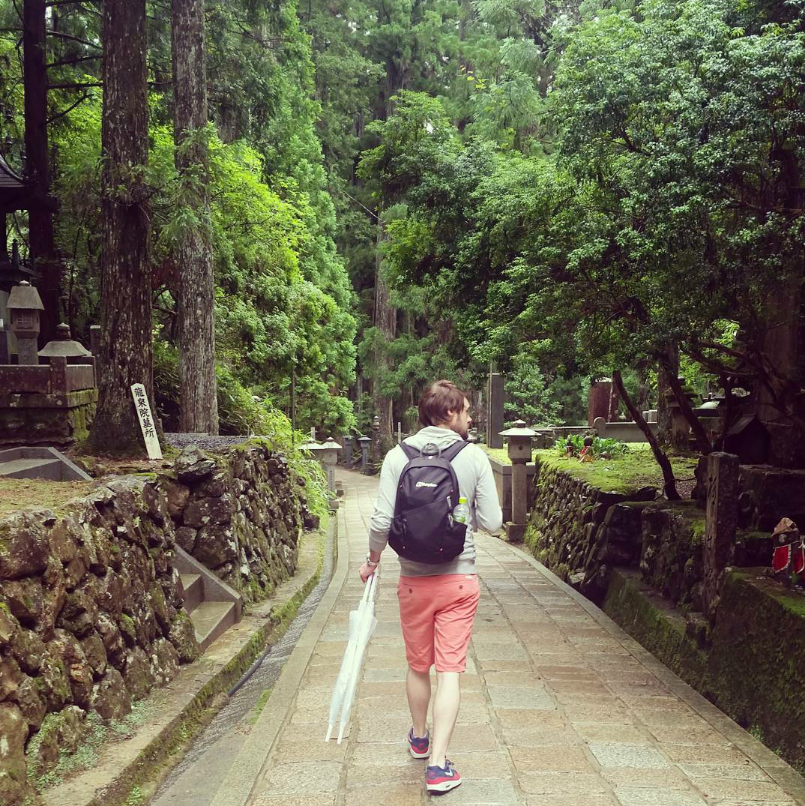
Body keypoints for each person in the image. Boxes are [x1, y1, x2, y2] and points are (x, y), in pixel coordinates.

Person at [359, 380, 503, 793]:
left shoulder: (396, 456)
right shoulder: (473, 457)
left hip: (412, 581)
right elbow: (492, 522)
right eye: (466, 411)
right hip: (459, 579)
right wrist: (463, 514)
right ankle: (439, 767)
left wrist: (371, 562)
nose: (471, 418)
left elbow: (381, 522)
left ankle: (419, 738)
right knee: (451, 672)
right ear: (447, 414)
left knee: (418, 665)